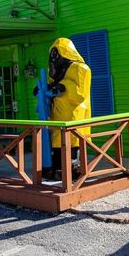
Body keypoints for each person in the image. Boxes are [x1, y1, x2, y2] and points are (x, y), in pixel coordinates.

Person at [45, 38, 92, 179]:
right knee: (58, 143)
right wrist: (43, 90)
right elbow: (50, 87)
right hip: (58, 114)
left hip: (74, 114)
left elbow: (80, 94)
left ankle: (74, 170)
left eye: (56, 53)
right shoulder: (54, 72)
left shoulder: (81, 68)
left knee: (73, 143)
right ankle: (57, 170)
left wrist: (63, 86)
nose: (54, 57)